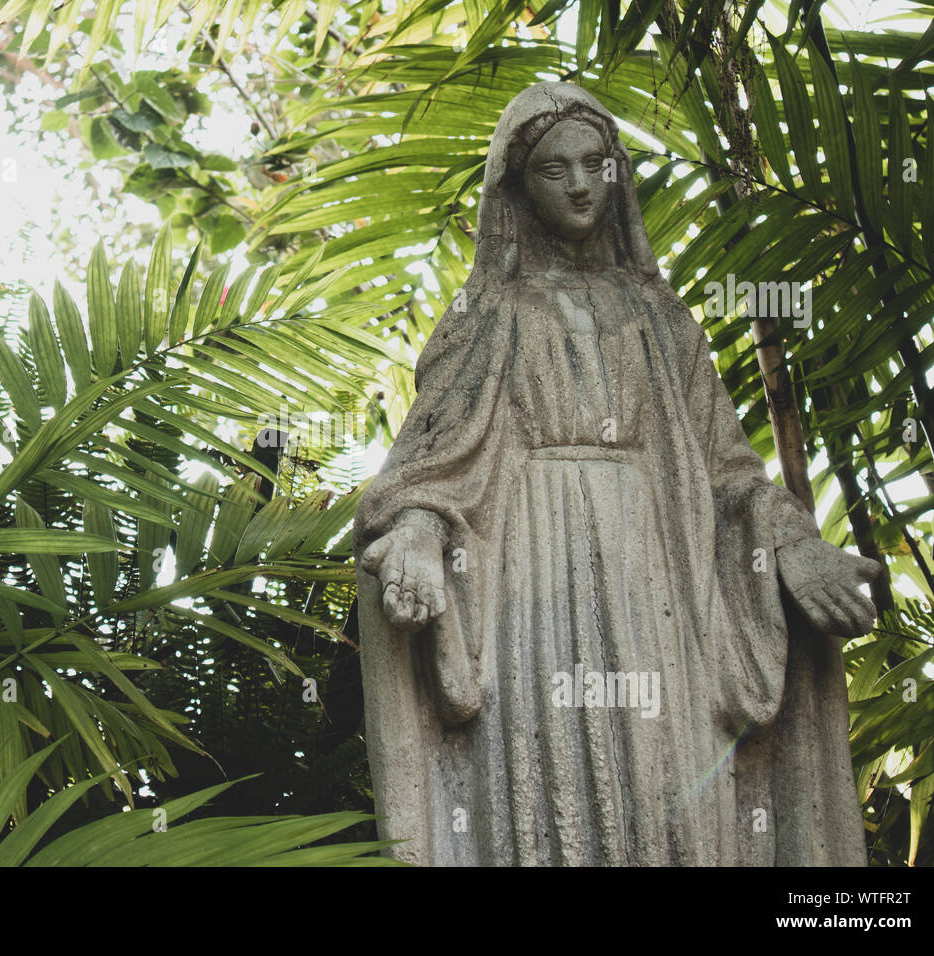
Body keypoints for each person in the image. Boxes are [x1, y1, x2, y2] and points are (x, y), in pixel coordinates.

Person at [354, 82, 880, 866]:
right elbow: (432, 467)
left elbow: (728, 474)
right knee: (554, 785)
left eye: (594, 164)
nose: (579, 185)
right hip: (534, 579)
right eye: (553, 169)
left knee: (671, 786)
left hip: (656, 578)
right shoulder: (488, 317)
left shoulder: (662, 319)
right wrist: (420, 537)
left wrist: (791, 546)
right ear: (518, 188)